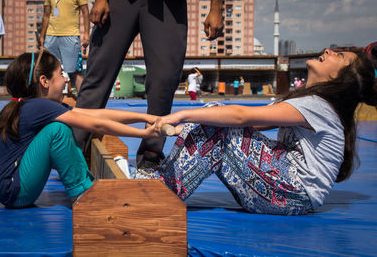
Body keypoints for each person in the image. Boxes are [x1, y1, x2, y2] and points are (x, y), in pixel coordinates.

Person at [143, 49, 376, 215]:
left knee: (219, 120)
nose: (329, 50)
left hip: (293, 194)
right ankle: (157, 187)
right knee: (216, 120)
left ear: (339, 78)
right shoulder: (310, 102)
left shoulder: (319, 106)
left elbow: (242, 117)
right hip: (285, 186)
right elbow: (252, 124)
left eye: (340, 55)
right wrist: (188, 129)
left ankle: (155, 198)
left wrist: (181, 115)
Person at [0, 50, 162, 208]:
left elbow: (97, 116)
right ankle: (84, 194)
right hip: (14, 191)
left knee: (58, 128)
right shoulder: (38, 106)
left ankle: (84, 186)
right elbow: (96, 125)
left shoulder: (33, 105)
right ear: (44, 81)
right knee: (58, 130)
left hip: (12, 190)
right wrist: (143, 133)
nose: (65, 79)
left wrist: (146, 117)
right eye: (61, 73)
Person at [74, 0, 224, 171]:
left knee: (164, 79)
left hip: (167, 1)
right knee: (98, 73)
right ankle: (72, 151)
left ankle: (150, 155)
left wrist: (216, 7)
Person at [39, 0, 89, 94]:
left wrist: (86, 34)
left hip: (71, 35)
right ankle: (51, 100)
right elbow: (46, 15)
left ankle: (85, 103)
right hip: (51, 36)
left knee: (75, 72)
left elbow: (85, 12)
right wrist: (42, 36)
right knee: (50, 70)